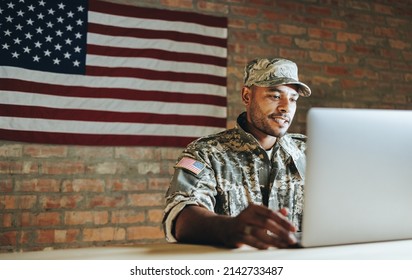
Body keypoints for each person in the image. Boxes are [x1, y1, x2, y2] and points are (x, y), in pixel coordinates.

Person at [163, 58, 311, 250]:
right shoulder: (207, 153)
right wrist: (229, 228)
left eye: (293, 99)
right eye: (275, 96)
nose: (286, 107)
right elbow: (180, 216)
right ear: (247, 96)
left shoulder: (311, 152)